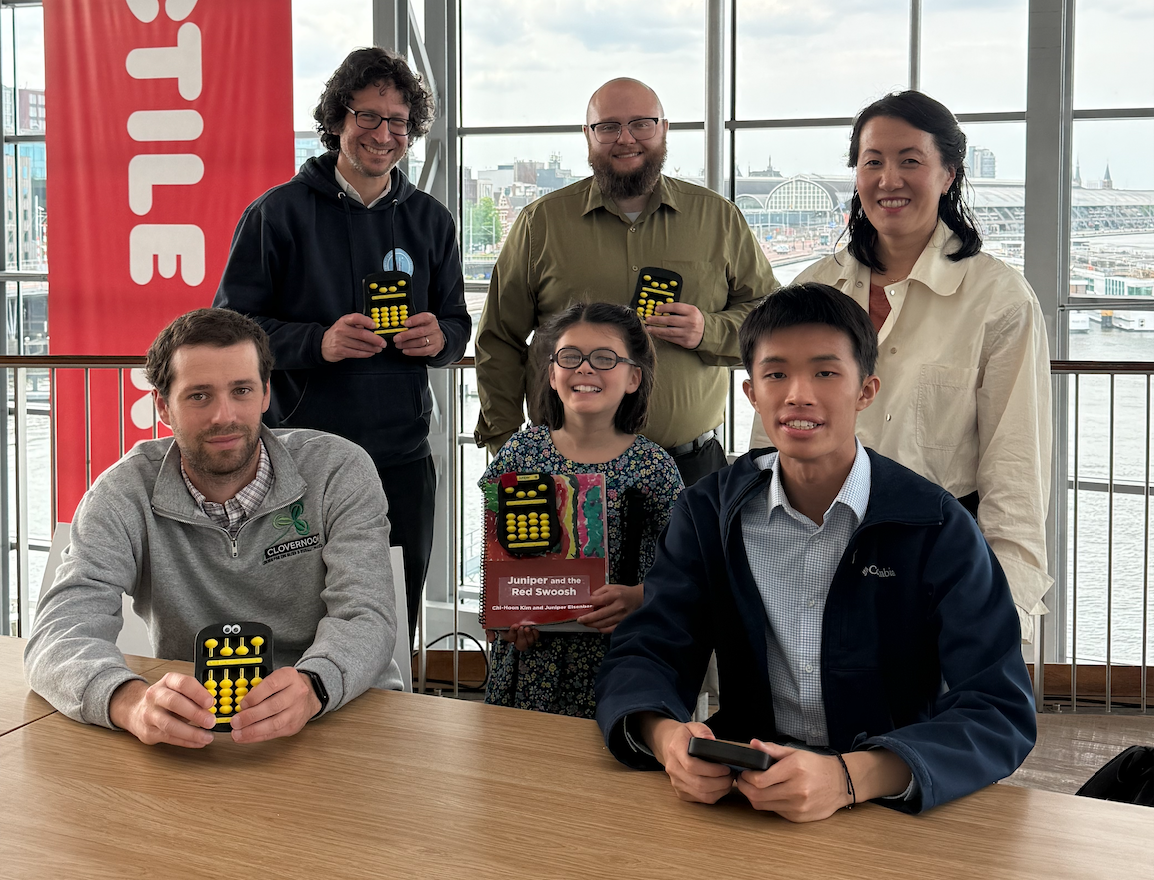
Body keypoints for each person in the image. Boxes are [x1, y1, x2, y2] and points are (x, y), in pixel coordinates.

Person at [597, 285, 1036, 820]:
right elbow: (649, 650)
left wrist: (850, 777)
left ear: (866, 390)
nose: (798, 394)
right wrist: (668, 740)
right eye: (776, 374)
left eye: (826, 373)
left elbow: (998, 708)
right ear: (751, 393)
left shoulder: (937, 525)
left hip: (891, 799)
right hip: (744, 795)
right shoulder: (707, 512)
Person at [25, 309, 402, 748]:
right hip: (197, 732)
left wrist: (314, 685)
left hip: (341, 710)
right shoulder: (123, 492)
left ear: (265, 394)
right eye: (199, 396)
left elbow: (366, 615)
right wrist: (129, 703)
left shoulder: (339, 469)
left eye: (241, 390)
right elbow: (59, 632)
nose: (224, 415)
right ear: (163, 407)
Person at [749, 90, 1051, 638]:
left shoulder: (998, 299)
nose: (889, 180)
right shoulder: (813, 288)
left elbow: (1015, 468)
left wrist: (1007, 604)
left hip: (933, 560)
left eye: (910, 160)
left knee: (920, 718)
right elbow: (768, 443)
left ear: (949, 174)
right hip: (809, 553)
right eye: (873, 162)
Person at [214, 47, 470, 650]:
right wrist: (317, 342)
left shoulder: (431, 220)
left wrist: (442, 340)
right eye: (369, 117)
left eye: (399, 122)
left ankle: (385, 732)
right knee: (293, 607)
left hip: (400, 455)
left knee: (393, 606)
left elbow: (458, 323)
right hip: (299, 458)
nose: (385, 135)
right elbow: (230, 330)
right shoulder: (275, 215)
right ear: (336, 120)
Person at [474, 77, 779, 487]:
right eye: (608, 126)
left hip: (691, 469)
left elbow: (772, 322)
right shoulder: (540, 224)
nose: (626, 139)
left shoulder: (718, 219)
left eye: (641, 124)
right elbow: (498, 339)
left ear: (664, 129)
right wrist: (508, 446)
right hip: (565, 471)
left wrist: (709, 330)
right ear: (587, 135)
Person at [482, 302, 683, 718]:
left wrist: (640, 596)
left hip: (621, 662)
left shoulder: (653, 466)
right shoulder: (521, 451)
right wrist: (505, 619)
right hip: (530, 664)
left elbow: (688, 567)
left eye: (605, 358)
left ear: (633, 378)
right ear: (552, 373)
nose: (585, 368)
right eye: (569, 357)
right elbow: (495, 548)